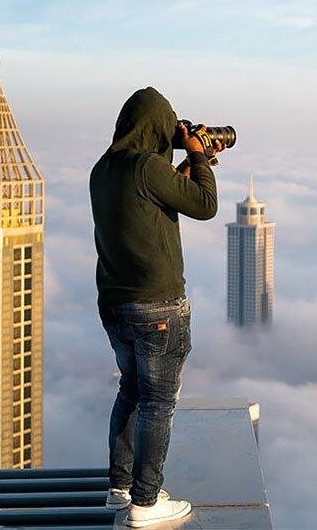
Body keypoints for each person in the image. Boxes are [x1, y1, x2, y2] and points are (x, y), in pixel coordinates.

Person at [89, 87, 222, 527]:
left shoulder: (104, 170)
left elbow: (146, 204)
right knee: (158, 403)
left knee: (130, 389)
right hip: (158, 307)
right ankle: (145, 504)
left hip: (115, 305)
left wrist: (183, 168)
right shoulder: (148, 166)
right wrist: (199, 157)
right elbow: (205, 205)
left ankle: (119, 489)